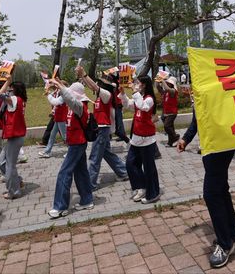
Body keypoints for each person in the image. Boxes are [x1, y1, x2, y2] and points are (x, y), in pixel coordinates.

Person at [178, 109, 235, 269]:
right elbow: (197, 119)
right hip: (209, 146)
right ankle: (234, 234)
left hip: (221, 144)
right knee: (220, 189)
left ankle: (225, 244)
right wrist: (186, 139)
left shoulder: (214, 84)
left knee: (211, 194)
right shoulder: (200, 87)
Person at [46, 79, 94, 218]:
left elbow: (68, 97)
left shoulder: (79, 106)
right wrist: (57, 85)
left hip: (78, 143)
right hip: (75, 142)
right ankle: (87, 200)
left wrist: (60, 86)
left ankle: (60, 207)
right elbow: (64, 98)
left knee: (64, 173)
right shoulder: (73, 105)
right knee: (81, 172)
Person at [76, 66, 128, 190]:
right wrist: (82, 76)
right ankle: (124, 171)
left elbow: (94, 86)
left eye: (101, 83)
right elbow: (92, 86)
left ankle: (90, 184)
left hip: (102, 129)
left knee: (95, 157)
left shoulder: (107, 94)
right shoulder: (100, 96)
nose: (98, 84)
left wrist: (84, 74)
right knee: (106, 153)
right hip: (101, 129)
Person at [121, 75, 161, 204]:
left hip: (147, 139)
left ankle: (153, 193)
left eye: (138, 83)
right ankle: (141, 187)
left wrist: (134, 92)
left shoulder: (149, 99)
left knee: (149, 168)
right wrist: (123, 94)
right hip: (136, 138)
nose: (135, 84)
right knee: (130, 164)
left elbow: (143, 107)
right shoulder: (140, 97)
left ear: (143, 85)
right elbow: (128, 105)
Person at [0, 78, 27, 200]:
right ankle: (16, 180)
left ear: (15, 90)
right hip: (14, 136)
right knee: (1, 160)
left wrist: (6, 83)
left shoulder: (15, 99)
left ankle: (14, 191)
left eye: (11, 89)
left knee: (10, 165)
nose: (9, 90)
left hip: (15, 136)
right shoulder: (19, 100)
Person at [38, 81, 69, 158]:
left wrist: (48, 94)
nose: (56, 86)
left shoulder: (64, 94)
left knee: (65, 136)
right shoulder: (58, 92)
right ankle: (47, 151)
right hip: (57, 117)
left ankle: (71, 151)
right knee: (52, 135)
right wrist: (48, 88)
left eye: (58, 85)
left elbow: (55, 102)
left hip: (61, 117)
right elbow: (52, 97)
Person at [157, 77, 180, 147]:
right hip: (166, 113)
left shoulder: (173, 91)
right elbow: (158, 87)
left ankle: (176, 137)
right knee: (170, 127)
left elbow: (167, 88)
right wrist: (157, 80)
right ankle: (171, 142)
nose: (167, 83)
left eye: (169, 82)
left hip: (172, 113)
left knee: (167, 126)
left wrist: (162, 80)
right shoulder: (165, 92)